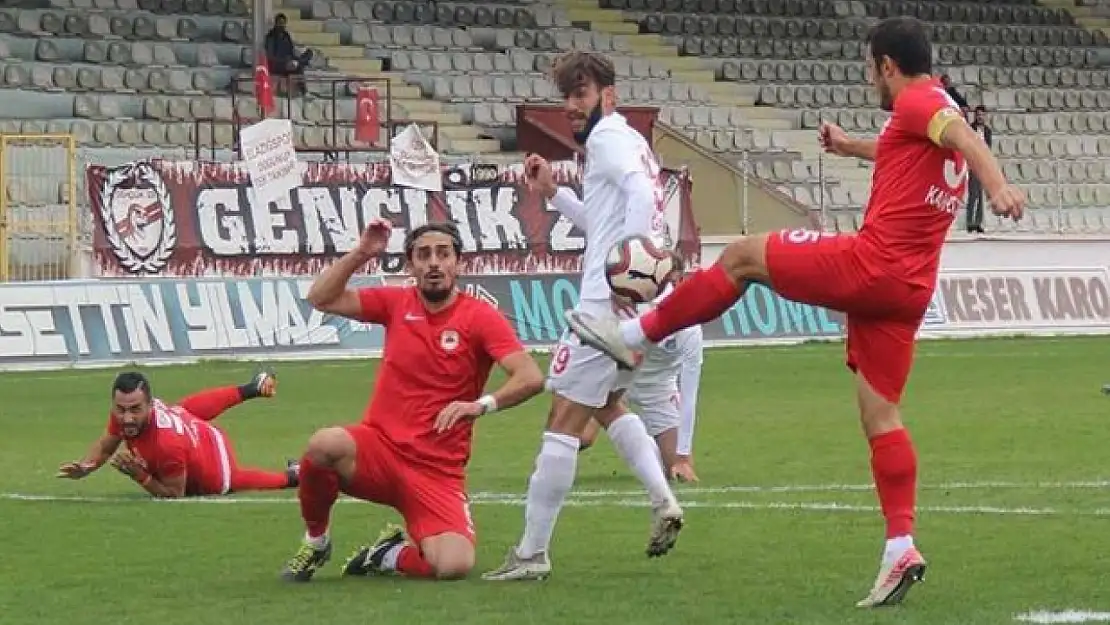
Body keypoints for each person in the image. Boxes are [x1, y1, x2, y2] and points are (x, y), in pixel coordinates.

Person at [563, 16, 1025, 608]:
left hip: (871, 266)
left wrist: (1001, 184)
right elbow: (902, 147)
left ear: (886, 65)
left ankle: (633, 334)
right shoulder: (913, 125)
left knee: (740, 259)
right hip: (909, 292)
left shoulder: (922, 101)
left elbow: (962, 136)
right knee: (881, 416)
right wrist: (846, 146)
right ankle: (899, 546)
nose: (871, 83)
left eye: (870, 70)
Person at [481, 51, 685, 582]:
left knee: (562, 422)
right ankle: (663, 500)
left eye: (582, 94)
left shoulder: (606, 139)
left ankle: (531, 553)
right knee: (608, 405)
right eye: (568, 96)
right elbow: (608, 217)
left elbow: (640, 198)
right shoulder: (629, 141)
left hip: (605, 304)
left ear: (608, 96)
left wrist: (630, 274)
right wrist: (555, 194)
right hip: (637, 303)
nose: (572, 106)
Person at [280, 220, 545, 583]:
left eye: (443, 253)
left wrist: (479, 405)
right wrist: (361, 254)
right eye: (423, 255)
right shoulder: (395, 303)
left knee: (453, 565)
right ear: (411, 266)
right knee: (324, 444)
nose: (434, 262)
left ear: (458, 264)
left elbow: (531, 377)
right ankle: (316, 541)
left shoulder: (480, 316)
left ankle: (388, 555)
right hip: (380, 451)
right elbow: (319, 298)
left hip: (437, 471)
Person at [57, 370, 298, 498]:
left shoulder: (166, 445)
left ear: (150, 404)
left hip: (215, 466)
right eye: (120, 409)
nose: (127, 418)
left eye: (135, 410)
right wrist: (87, 466)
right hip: (195, 429)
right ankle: (250, 388)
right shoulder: (125, 415)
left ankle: (295, 475)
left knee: (233, 481)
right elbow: (106, 446)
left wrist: (139, 475)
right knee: (181, 409)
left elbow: (174, 494)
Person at [578, 324, 704, 483]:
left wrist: (683, 458)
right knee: (581, 437)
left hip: (659, 390)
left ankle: (642, 444)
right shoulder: (639, 310)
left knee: (678, 471)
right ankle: (548, 469)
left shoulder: (691, 331)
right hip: (614, 378)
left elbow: (689, 395)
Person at [264, 14, 314, 91]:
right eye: (280, 23)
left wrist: (293, 59)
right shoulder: (271, 37)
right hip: (277, 65)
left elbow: (291, 51)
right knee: (299, 68)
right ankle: (304, 91)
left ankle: (299, 62)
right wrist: (286, 61)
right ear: (276, 23)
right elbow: (270, 57)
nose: (282, 25)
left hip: (289, 60)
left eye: (283, 23)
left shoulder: (286, 35)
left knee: (309, 53)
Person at [966, 106, 993, 234]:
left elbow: (989, 148)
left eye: (982, 115)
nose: (980, 117)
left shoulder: (987, 131)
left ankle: (978, 222)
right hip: (973, 164)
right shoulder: (970, 129)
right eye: (978, 115)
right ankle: (969, 222)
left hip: (983, 165)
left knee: (981, 197)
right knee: (973, 195)